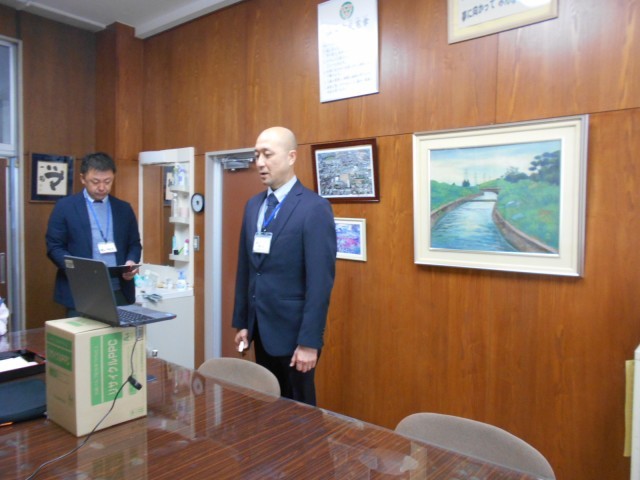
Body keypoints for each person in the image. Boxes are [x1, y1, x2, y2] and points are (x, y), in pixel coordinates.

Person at [232, 126, 337, 406]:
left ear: (291, 157)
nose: (260, 163)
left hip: (295, 336)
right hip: (261, 329)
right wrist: (243, 322)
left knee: (299, 414)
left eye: (267, 155)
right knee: (268, 408)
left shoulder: (314, 208)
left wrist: (309, 342)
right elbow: (247, 268)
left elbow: (320, 283)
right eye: (256, 155)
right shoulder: (253, 206)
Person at [46, 152, 142, 314]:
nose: (102, 187)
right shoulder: (65, 207)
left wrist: (131, 261)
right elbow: (54, 247)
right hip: (81, 290)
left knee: (121, 330)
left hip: (119, 288)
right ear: (83, 178)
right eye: (95, 181)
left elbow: (134, 244)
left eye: (107, 181)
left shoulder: (123, 208)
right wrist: (77, 269)